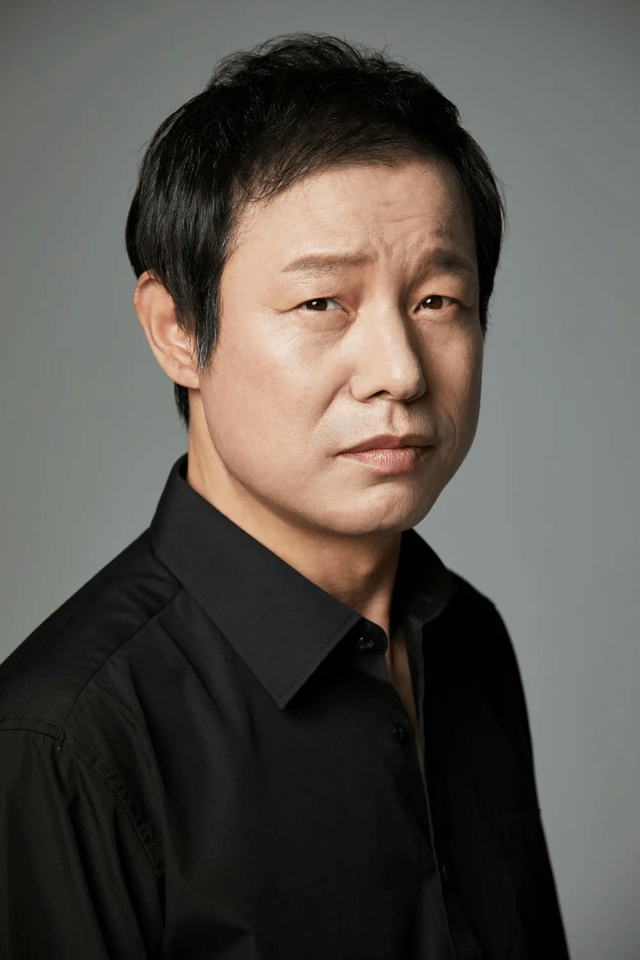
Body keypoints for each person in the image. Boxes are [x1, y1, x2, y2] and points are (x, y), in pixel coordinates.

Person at [0, 33, 570, 960]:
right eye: (322, 304)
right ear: (176, 329)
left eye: (436, 301)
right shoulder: (60, 744)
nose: (398, 372)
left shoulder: (468, 639)